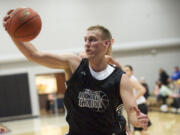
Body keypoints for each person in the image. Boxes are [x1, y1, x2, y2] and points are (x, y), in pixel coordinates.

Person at [3, 10, 148, 135]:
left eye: (92, 40)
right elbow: (34, 55)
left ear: (106, 43)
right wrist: (12, 32)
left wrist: (138, 120)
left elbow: (132, 113)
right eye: (85, 40)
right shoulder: (74, 64)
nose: (87, 43)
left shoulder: (121, 78)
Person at [123, 65, 151, 135]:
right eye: (124, 70)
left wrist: (133, 99)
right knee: (133, 130)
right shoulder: (127, 79)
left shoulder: (132, 80)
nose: (125, 72)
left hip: (139, 106)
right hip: (136, 107)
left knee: (140, 131)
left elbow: (143, 90)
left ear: (132, 72)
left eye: (127, 70)